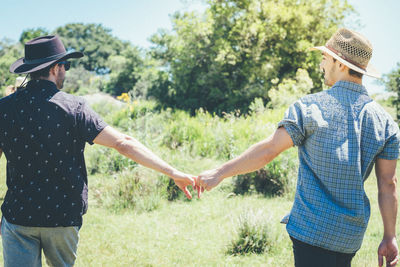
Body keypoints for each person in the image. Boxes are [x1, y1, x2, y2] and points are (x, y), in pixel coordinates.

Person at [197, 28, 400, 267]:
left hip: (311, 232)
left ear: (340, 64)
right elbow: (388, 183)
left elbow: (269, 149)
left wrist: (219, 173)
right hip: (350, 237)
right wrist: (390, 235)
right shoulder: (385, 123)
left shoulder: (309, 107)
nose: (321, 65)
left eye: (325, 58)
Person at [0, 35, 196, 267]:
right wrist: (173, 172)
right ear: (55, 68)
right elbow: (123, 143)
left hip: (19, 216)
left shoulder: (4, 107)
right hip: (62, 217)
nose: (66, 71)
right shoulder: (75, 108)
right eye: (65, 65)